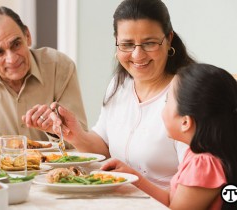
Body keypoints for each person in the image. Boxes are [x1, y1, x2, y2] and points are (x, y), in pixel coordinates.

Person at [46, 0, 195, 189]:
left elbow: (193, 185)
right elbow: (104, 148)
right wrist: (74, 133)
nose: (137, 55)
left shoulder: (187, 95)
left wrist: (132, 179)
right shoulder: (120, 84)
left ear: (169, 39)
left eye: (149, 43)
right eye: (127, 44)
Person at [101, 63, 237, 210]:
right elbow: (171, 200)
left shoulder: (204, 164)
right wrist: (132, 176)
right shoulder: (197, 154)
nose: (162, 109)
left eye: (166, 102)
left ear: (185, 122)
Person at [0, 6, 87, 148]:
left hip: (51, 169)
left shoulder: (60, 67)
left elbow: (83, 143)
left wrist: (56, 130)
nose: (12, 59)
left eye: (16, 44)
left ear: (27, 36)